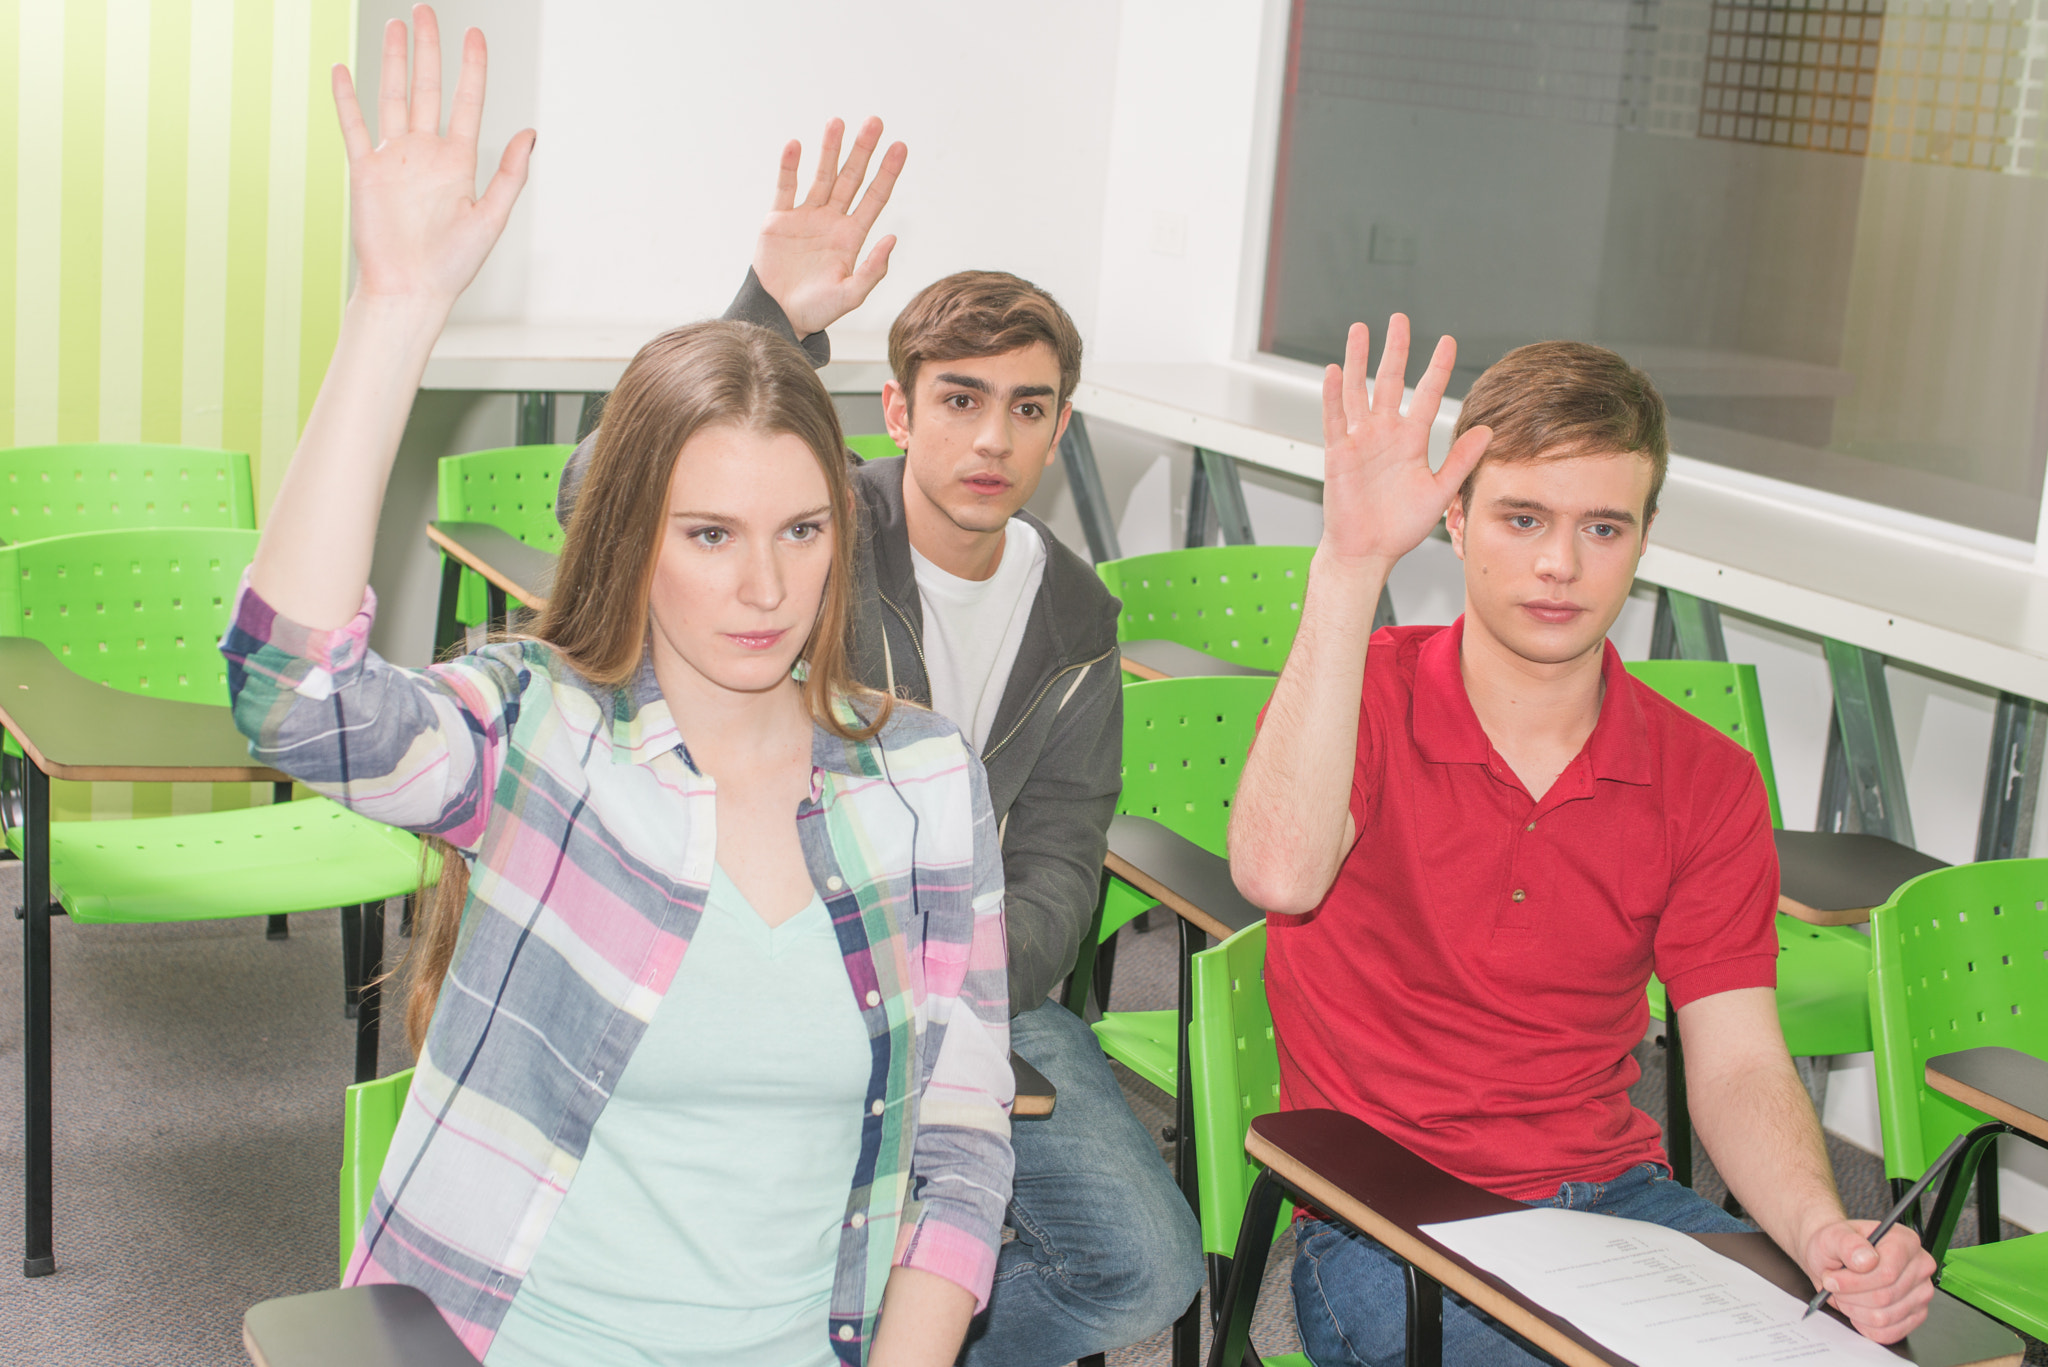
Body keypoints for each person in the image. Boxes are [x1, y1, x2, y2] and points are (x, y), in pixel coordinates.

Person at [223, 12, 1011, 1365]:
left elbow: (962, 1140)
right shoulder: (545, 736)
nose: (766, 586)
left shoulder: (927, 782)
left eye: (803, 529)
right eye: (709, 535)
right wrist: (393, 312)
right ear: (632, 540)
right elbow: (295, 697)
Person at [558, 121, 1204, 1366]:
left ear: (1059, 424)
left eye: (1026, 408)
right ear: (897, 409)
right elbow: (602, 496)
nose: (990, 442)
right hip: (770, 958)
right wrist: (769, 319)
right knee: (804, 1228)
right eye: (958, 401)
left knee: (1147, 1269)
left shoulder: (1078, 616)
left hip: (974, 990)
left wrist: (950, 981)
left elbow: (1065, 852)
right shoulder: (811, 526)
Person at [1227, 320, 1938, 1366]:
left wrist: (1817, 1228)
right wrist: (1347, 563)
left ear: (1643, 540)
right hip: (1386, 1220)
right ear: (1455, 521)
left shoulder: (1703, 775)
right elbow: (1277, 874)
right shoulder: (1361, 696)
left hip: (1618, 1206)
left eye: (1602, 527)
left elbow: (1737, 1060)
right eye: (1521, 518)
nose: (1559, 563)